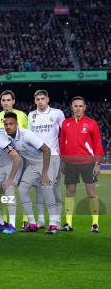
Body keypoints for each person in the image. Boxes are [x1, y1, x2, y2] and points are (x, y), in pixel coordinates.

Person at [4, 112, 60, 234]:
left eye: (11, 124)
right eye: (6, 124)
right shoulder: (7, 138)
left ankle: (53, 224)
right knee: (22, 189)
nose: (8, 126)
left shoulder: (26, 134)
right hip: (34, 164)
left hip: (50, 160)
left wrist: (44, 173)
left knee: (46, 187)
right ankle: (32, 223)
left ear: (17, 124)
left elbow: (47, 150)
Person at [60, 96, 104, 233]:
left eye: (80, 106)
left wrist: (97, 163)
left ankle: (95, 223)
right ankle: (68, 223)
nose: (78, 108)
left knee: (91, 192)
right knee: (70, 192)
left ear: (85, 108)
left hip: (88, 163)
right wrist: (62, 161)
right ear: (71, 107)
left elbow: (97, 144)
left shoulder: (92, 123)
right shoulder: (66, 123)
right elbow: (62, 144)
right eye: (75, 106)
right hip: (70, 163)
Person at [27, 89, 65, 229]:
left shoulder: (57, 113)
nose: (40, 102)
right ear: (34, 100)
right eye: (38, 99)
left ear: (47, 99)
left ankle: (56, 221)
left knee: (52, 188)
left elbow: (65, 133)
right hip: (37, 158)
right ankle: (41, 220)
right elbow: (29, 138)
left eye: (43, 98)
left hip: (54, 156)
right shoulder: (31, 115)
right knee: (39, 189)